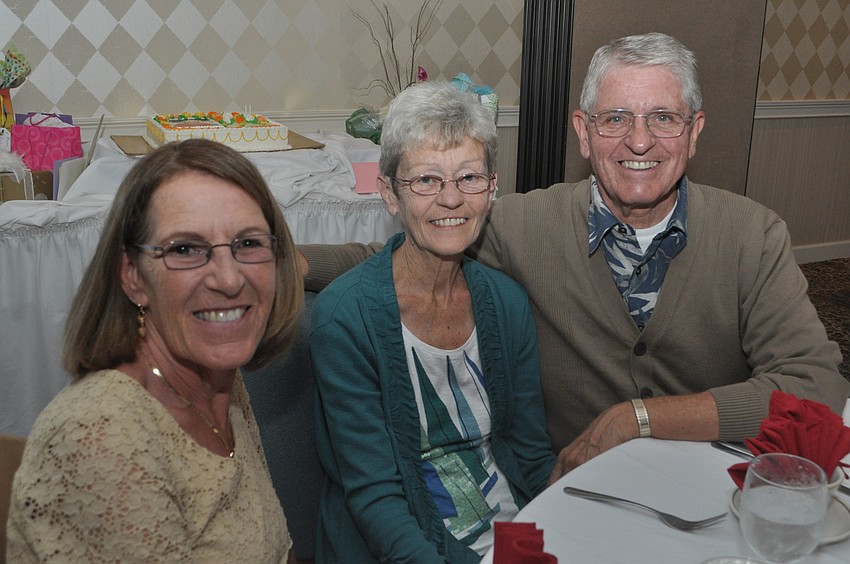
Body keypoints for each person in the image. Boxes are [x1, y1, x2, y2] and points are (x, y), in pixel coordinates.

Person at [299, 32, 848, 481]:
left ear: (693, 132)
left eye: (663, 118)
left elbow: (815, 385)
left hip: (713, 482)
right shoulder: (523, 225)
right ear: (583, 133)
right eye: (615, 119)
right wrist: (283, 262)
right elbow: (402, 249)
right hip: (579, 488)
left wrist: (640, 418)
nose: (639, 142)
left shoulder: (752, 236)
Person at [7, 139, 303, 562]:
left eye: (248, 243)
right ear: (133, 278)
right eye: (185, 249)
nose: (229, 278)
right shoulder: (101, 436)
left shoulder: (219, 381)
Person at [309, 81, 555, 563]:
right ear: (389, 194)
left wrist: (577, 524)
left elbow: (530, 452)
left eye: (468, 177)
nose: (451, 200)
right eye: (426, 180)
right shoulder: (344, 320)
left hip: (512, 535)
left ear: (492, 187)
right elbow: (376, 498)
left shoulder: (506, 302)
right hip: (404, 545)